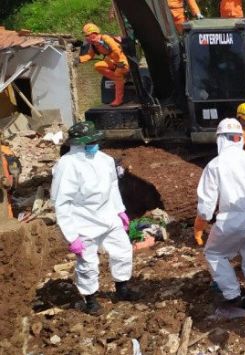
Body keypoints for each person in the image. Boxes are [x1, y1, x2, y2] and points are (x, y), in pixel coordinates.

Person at [50, 122, 138, 315]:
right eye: (91, 142)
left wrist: (120, 211)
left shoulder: (104, 160)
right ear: (79, 143)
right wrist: (71, 236)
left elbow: (113, 187)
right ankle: (90, 300)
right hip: (83, 222)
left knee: (123, 251)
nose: (95, 145)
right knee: (88, 264)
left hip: (108, 216)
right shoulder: (67, 165)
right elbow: (61, 203)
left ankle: (122, 288)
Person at [195, 118, 245, 312]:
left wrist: (200, 225)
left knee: (214, 254)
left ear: (220, 139)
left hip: (231, 220)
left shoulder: (215, 165)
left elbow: (206, 207)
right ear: (240, 139)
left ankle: (232, 295)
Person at [79, 23, 128, 107]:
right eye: (86, 36)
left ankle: (118, 100)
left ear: (93, 34)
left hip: (122, 60)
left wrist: (101, 43)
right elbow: (90, 55)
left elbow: (116, 50)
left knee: (118, 73)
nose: (86, 38)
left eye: (88, 36)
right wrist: (80, 59)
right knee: (98, 66)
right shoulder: (93, 45)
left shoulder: (105, 38)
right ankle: (117, 79)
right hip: (112, 61)